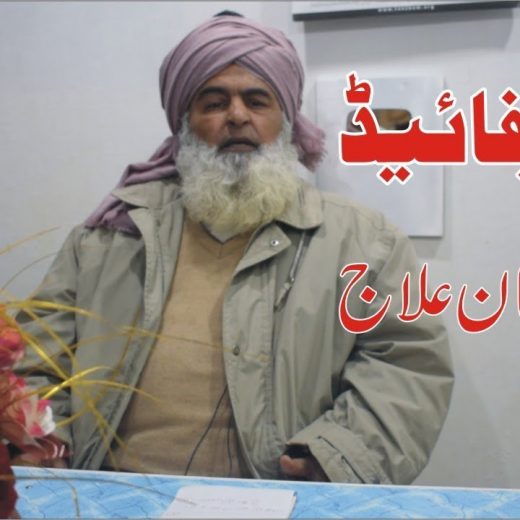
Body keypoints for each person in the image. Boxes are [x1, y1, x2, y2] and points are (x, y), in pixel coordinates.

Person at [17, 12, 453, 484]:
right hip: (105, 493)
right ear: (185, 123)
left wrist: (335, 458)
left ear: (286, 120)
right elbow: (32, 361)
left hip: (277, 496)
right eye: (214, 102)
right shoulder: (108, 237)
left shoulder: (365, 243)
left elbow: (406, 367)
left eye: (257, 100)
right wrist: (44, 441)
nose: (238, 116)